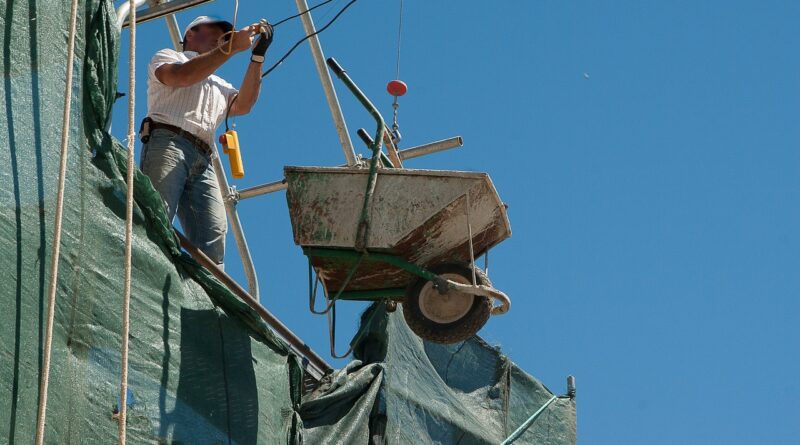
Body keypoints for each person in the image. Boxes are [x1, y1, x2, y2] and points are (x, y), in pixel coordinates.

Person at [139, 16, 273, 267]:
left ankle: (205, 300)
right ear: (191, 33)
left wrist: (257, 57)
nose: (220, 39)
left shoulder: (218, 84)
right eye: (215, 31)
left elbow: (244, 104)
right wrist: (231, 47)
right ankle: (147, 272)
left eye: (224, 35)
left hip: (203, 158)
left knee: (213, 237)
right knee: (157, 216)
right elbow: (181, 77)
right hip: (169, 143)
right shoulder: (168, 56)